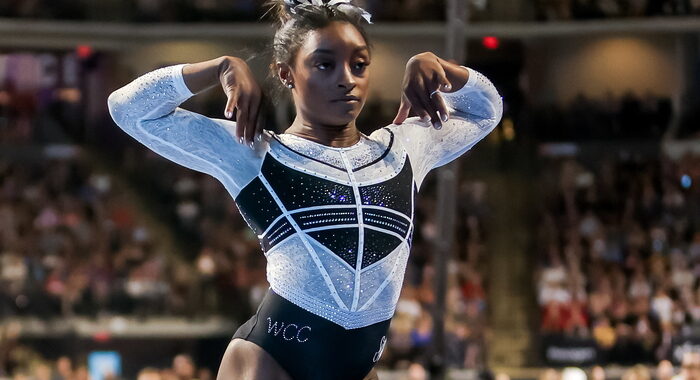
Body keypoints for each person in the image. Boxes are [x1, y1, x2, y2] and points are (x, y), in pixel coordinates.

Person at [106, 0, 503, 378]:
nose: (346, 79)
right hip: (271, 360)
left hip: (358, 368)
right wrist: (217, 68)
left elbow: (488, 110)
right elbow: (127, 109)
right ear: (285, 73)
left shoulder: (405, 149)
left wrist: (447, 71)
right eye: (324, 65)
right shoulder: (254, 150)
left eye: (359, 65)